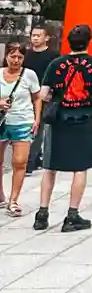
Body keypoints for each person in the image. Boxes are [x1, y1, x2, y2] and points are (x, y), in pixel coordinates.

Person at [33, 24, 92, 233]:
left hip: (58, 119)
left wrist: (57, 98)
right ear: (89, 41)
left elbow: (44, 94)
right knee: (80, 167)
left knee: (50, 166)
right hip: (82, 118)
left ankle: (42, 213)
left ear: (68, 42)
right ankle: (72, 215)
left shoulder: (56, 63)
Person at [1, 42, 43, 217]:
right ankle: (1, 196)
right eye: (13, 56)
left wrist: (37, 119)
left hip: (22, 121)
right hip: (2, 121)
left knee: (19, 162)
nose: (16, 60)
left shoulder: (29, 75)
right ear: (6, 56)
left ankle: (14, 200)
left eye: (19, 57)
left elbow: (37, 97)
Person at [21, 24, 56, 179]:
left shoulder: (53, 55)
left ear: (46, 37)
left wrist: (51, 92)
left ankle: (29, 162)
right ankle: (35, 158)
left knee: (37, 127)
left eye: (38, 35)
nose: (35, 38)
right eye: (33, 35)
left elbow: (56, 76)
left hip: (43, 96)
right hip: (24, 95)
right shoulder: (25, 55)